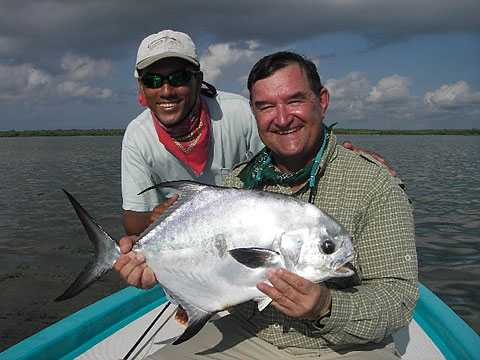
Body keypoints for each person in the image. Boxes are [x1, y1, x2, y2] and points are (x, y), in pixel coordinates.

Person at [117, 51, 418, 359]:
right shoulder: (236, 182)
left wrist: (325, 307)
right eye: (266, 107)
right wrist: (157, 265)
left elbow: (399, 299)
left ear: (322, 101)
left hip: (343, 345)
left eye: (295, 100)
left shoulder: (373, 183)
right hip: (248, 333)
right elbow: (212, 263)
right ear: (254, 113)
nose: (283, 117)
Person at [121, 29, 264, 236]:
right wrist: (152, 218)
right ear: (141, 88)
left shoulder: (240, 113)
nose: (166, 91)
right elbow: (133, 221)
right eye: (153, 81)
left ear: (198, 81)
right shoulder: (137, 137)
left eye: (179, 78)